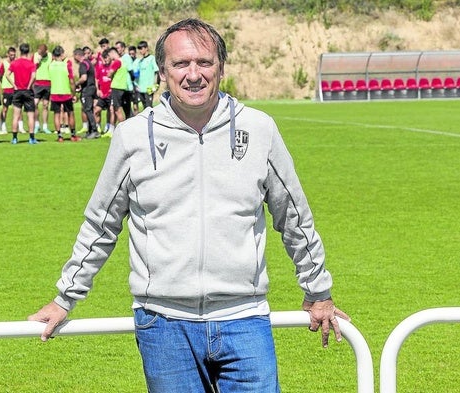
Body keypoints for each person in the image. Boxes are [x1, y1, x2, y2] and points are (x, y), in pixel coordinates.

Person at [28, 18, 349, 393]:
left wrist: (318, 290)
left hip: (244, 320)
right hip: (163, 324)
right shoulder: (133, 136)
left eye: (204, 62)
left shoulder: (259, 129)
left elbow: (293, 215)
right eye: (181, 64)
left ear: (221, 68)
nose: (193, 74)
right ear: (162, 71)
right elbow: (102, 224)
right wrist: (65, 297)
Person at [5, 43, 37, 144]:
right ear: (28, 51)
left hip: (17, 91)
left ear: (20, 51)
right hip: (27, 91)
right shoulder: (31, 64)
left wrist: (14, 85)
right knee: (31, 116)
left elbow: (7, 74)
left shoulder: (15, 63)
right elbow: (34, 76)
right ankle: (31, 138)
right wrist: (29, 85)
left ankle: (14, 138)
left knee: (16, 116)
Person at [48, 46, 79, 142]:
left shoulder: (51, 66)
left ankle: (60, 136)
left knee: (56, 114)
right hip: (66, 92)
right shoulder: (66, 65)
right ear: (61, 54)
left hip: (55, 93)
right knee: (70, 113)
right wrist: (74, 93)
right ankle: (73, 135)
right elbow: (71, 80)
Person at [73, 47, 98, 139]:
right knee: (89, 109)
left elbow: (84, 78)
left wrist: (76, 83)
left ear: (77, 55)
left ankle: (94, 130)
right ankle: (90, 130)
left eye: (74, 56)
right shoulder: (89, 63)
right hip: (91, 88)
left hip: (87, 90)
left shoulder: (83, 64)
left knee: (87, 110)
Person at [134, 40, 159, 110]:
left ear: (146, 48)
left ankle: (152, 121)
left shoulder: (152, 59)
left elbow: (158, 72)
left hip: (149, 88)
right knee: (144, 109)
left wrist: (157, 85)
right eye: (139, 49)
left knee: (149, 108)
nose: (140, 51)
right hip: (140, 88)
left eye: (141, 48)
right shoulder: (140, 61)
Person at [33, 43, 52, 134]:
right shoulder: (35, 56)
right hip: (38, 83)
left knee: (45, 105)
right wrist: (37, 62)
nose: (40, 54)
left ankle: (45, 126)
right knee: (35, 104)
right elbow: (32, 68)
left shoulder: (50, 56)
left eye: (42, 53)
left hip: (48, 82)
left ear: (46, 51)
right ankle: (37, 125)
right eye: (39, 52)